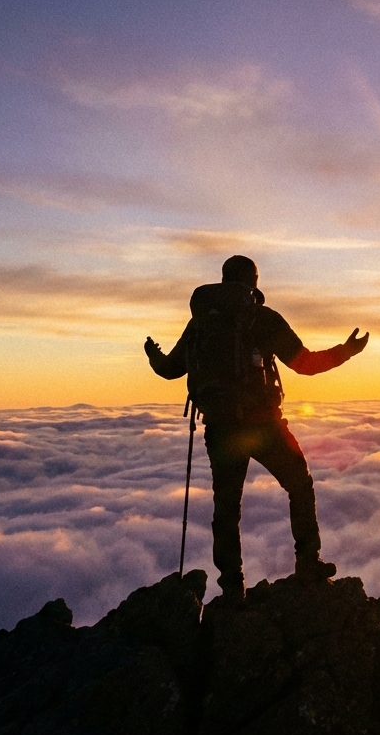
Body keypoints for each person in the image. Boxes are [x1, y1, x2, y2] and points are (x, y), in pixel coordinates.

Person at [144, 255, 368, 599]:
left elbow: (171, 370)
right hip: (264, 426)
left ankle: (232, 588)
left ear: (223, 280)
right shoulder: (261, 318)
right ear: (254, 282)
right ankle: (308, 562)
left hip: (220, 428)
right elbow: (305, 364)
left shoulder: (200, 323)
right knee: (299, 484)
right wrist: (346, 351)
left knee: (226, 508)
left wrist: (153, 354)